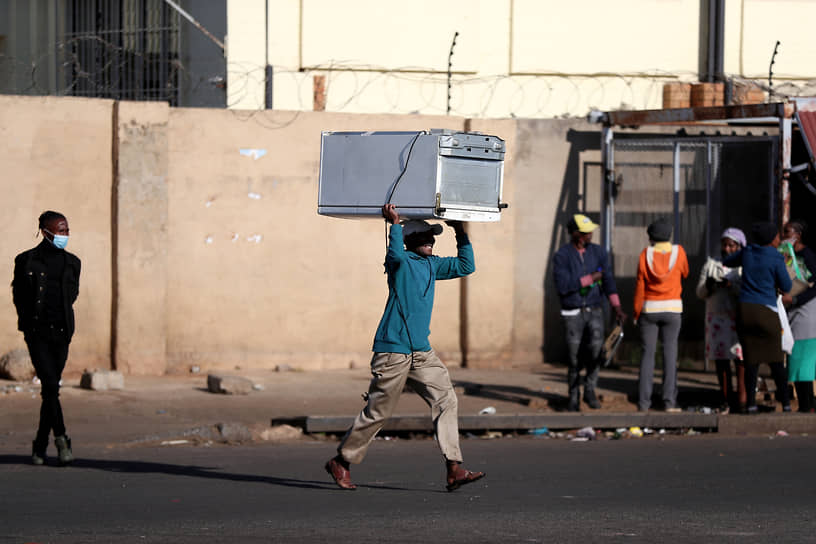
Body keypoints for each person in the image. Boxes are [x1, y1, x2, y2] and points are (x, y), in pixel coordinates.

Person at [324, 204, 485, 492]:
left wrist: (461, 232)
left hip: (422, 352)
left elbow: (466, 266)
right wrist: (394, 224)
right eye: (424, 236)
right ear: (410, 240)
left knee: (446, 400)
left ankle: (454, 467)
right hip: (393, 350)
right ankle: (342, 461)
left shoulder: (432, 265)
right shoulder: (401, 263)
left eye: (432, 236)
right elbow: (394, 254)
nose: (430, 240)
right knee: (379, 412)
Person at [12, 211, 81, 465]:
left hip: (62, 334)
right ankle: (62, 440)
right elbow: (19, 298)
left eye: (67, 230)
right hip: (37, 334)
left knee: (49, 390)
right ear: (45, 231)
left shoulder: (73, 263)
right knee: (51, 386)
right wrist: (29, 327)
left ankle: (40, 445)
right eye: (60, 230)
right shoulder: (26, 261)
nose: (65, 235)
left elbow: (72, 295)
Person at [552, 214, 626, 411]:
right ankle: (573, 396)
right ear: (575, 234)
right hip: (573, 312)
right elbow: (562, 286)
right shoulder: (562, 256)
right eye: (586, 232)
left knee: (596, 351)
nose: (590, 235)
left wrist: (616, 306)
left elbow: (608, 280)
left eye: (590, 231)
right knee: (574, 356)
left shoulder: (599, 253)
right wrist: (589, 279)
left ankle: (590, 390)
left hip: (594, 309)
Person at [724, 221, 792, 413]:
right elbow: (786, 287)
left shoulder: (747, 252)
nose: (779, 239)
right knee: (776, 359)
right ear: (771, 239)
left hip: (745, 310)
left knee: (751, 360)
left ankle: (751, 404)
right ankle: (786, 404)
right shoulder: (776, 257)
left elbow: (728, 261)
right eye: (777, 236)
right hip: (766, 310)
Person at [633, 218, 689, 412]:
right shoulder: (679, 252)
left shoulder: (645, 254)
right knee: (670, 354)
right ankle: (669, 402)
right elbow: (686, 272)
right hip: (673, 309)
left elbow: (640, 286)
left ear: (651, 237)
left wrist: (636, 311)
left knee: (648, 356)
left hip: (649, 309)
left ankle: (644, 403)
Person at [695, 228, 746, 413]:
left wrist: (731, 285)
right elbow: (699, 292)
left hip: (737, 317)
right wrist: (709, 285)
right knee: (721, 361)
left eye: (731, 245)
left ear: (740, 246)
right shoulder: (711, 264)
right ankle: (726, 399)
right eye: (725, 244)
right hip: (716, 319)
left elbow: (746, 290)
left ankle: (742, 398)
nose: (727, 248)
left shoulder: (743, 265)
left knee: (740, 361)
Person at [780, 220, 816, 412]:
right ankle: (805, 403)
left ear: (798, 235)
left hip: (806, 312)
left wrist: (795, 300)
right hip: (792, 311)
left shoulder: (808, 256)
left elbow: (813, 286)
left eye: (787, 232)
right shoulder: (786, 255)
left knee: (804, 362)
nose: (784, 235)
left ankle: (808, 404)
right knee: (797, 360)